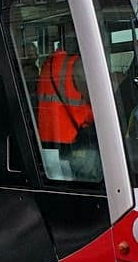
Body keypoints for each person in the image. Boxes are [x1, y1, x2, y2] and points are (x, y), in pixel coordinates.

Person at [36, 35, 100, 182]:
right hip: (76, 140)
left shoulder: (48, 64)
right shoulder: (76, 65)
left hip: (48, 138)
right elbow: (96, 99)